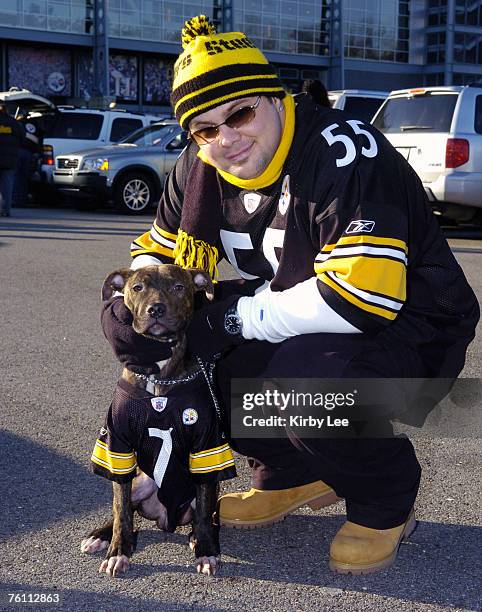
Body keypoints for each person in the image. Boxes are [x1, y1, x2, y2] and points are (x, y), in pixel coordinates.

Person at [101, 15, 479, 574]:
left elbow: (357, 299)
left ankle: (387, 498)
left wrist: (231, 318)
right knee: (209, 359)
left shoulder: (345, 151)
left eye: (240, 113)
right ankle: (290, 473)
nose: (225, 139)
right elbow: (158, 255)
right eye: (204, 129)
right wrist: (128, 307)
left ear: (273, 98)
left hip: (411, 320)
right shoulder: (198, 167)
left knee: (301, 382)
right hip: (305, 304)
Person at [13, 114, 43, 208]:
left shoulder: (17, 124)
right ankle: (21, 200)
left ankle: (14, 200)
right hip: (29, 154)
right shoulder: (34, 125)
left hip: (17, 152)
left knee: (15, 177)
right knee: (24, 177)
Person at [0, 104, 24, 217]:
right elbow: (22, 138)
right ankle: (6, 210)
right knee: (7, 186)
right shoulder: (15, 123)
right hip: (10, 160)